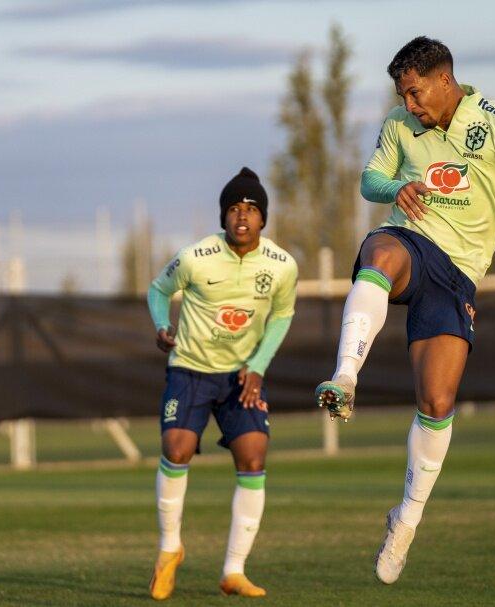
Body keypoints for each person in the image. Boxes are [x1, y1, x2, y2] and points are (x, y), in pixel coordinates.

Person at [314, 36, 495, 584]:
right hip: (413, 242)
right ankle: (345, 378)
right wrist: (398, 186)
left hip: (460, 274)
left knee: (437, 400)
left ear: (444, 80)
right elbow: (370, 179)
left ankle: (406, 519)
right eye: (402, 95)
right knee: (380, 251)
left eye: (415, 93)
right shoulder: (399, 125)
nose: (409, 104)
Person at [147, 167, 298, 600]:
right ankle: (169, 548)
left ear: (263, 218)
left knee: (253, 457)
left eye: (251, 208)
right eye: (234, 208)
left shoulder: (282, 265)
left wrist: (258, 366)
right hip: (190, 368)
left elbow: (283, 315)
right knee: (175, 449)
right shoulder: (195, 256)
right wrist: (161, 324)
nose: (242, 216)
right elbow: (158, 289)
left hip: (242, 377)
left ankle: (233, 570)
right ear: (223, 217)